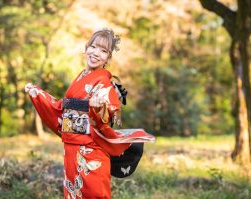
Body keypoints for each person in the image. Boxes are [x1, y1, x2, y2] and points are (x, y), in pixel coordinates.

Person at [25, 28, 155, 199]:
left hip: (91, 151)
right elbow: (61, 109)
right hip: (71, 150)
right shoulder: (81, 76)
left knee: (95, 194)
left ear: (108, 58)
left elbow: (108, 112)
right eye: (93, 47)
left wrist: (97, 108)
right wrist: (38, 94)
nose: (96, 53)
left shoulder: (104, 83)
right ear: (86, 48)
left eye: (103, 51)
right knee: (73, 194)